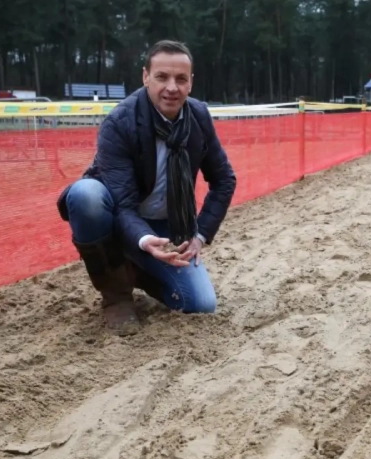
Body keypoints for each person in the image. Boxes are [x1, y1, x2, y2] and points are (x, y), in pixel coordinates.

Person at [56, 40, 237, 333]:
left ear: (191, 83)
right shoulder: (120, 122)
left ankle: (135, 268)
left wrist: (199, 235)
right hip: (118, 220)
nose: (171, 87)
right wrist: (143, 239)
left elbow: (224, 180)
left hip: (169, 224)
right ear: (145, 77)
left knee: (201, 304)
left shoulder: (199, 116)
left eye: (180, 79)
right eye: (162, 77)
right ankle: (116, 296)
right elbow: (123, 204)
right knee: (86, 194)